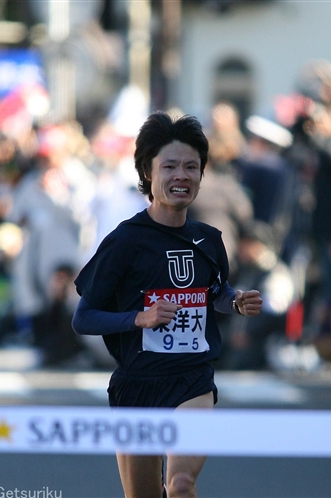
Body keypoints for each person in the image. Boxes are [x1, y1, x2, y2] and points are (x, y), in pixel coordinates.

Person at [71, 111, 262, 498]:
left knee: (179, 484)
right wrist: (139, 317)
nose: (182, 176)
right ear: (147, 172)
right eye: (170, 166)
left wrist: (235, 301)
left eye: (192, 166)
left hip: (192, 379)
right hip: (136, 386)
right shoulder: (125, 241)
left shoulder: (209, 239)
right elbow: (84, 318)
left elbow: (214, 293)